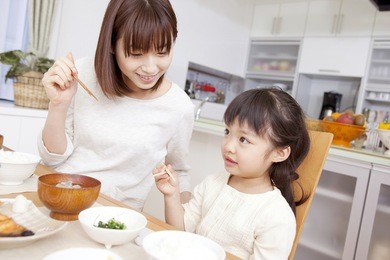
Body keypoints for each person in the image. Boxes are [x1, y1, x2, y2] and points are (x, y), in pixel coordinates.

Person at [38, 0, 194, 211]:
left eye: (162, 52)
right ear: (112, 43)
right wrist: (58, 104)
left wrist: (183, 230)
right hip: (62, 199)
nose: (150, 68)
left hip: (118, 220)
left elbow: (179, 172)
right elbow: (51, 160)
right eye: (137, 53)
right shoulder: (82, 74)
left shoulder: (178, 106)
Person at [154, 87, 311, 259]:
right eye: (227, 132)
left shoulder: (276, 216)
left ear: (279, 153)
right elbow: (181, 230)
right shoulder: (213, 182)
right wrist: (171, 195)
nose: (228, 146)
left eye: (244, 139)